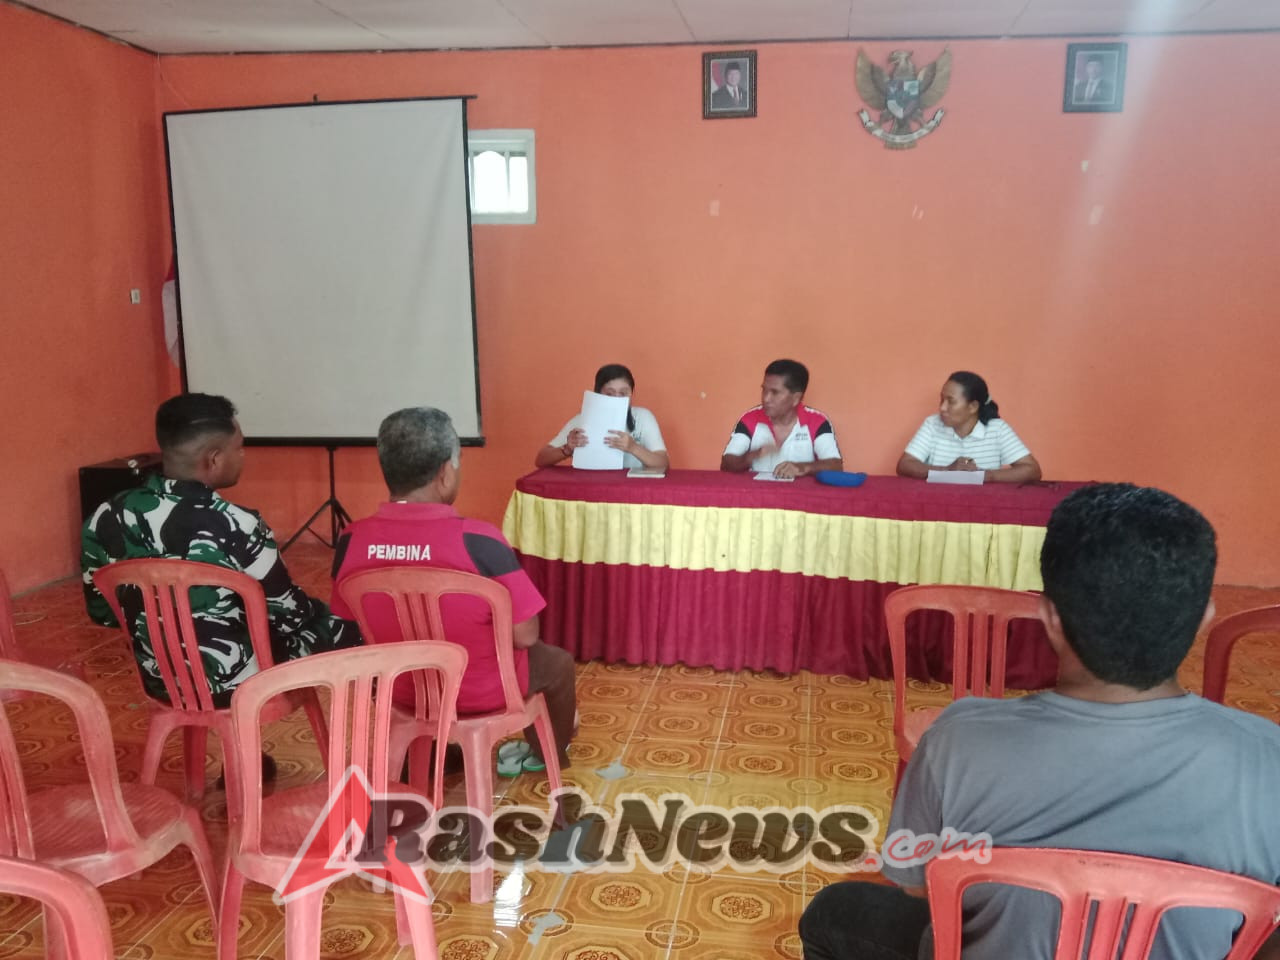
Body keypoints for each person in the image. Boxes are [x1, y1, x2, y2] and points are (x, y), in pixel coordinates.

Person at [799, 483, 1280, 960]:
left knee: (833, 912)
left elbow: (916, 889)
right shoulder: (1268, 757)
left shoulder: (957, 738)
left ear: (1048, 617)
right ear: (1204, 619)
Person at [82, 394, 361, 711]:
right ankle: (388, 735)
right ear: (213, 459)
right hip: (242, 685)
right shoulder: (237, 524)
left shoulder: (104, 516)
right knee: (351, 630)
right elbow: (289, 616)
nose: (242, 456)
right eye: (239, 448)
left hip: (162, 681)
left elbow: (102, 614)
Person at [333, 407, 576, 772]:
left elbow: (348, 626)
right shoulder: (481, 541)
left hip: (397, 690)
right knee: (557, 664)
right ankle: (548, 756)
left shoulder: (350, 541)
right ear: (445, 472)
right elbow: (525, 635)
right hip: (481, 692)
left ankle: (428, 752)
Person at [895, 371, 1041, 483]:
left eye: (951, 401)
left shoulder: (997, 429)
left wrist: (984, 475)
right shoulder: (932, 424)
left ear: (973, 406)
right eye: (942, 400)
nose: (942, 408)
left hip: (984, 509)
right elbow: (905, 465)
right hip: (937, 505)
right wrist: (947, 471)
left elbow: (1032, 470)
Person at [720, 359, 843, 478]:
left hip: (802, 498)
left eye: (775, 392)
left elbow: (836, 466)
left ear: (796, 398)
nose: (766, 398)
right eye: (764, 390)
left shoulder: (818, 421)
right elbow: (726, 464)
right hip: (756, 497)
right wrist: (753, 455)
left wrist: (802, 467)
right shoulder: (749, 419)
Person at [535, 364, 669, 472]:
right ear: (598, 394)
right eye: (610, 394)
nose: (617, 398)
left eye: (623, 393)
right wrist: (567, 449)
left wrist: (633, 448)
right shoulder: (582, 420)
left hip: (633, 491)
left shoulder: (642, 417)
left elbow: (663, 463)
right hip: (594, 489)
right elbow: (541, 460)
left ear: (631, 394)